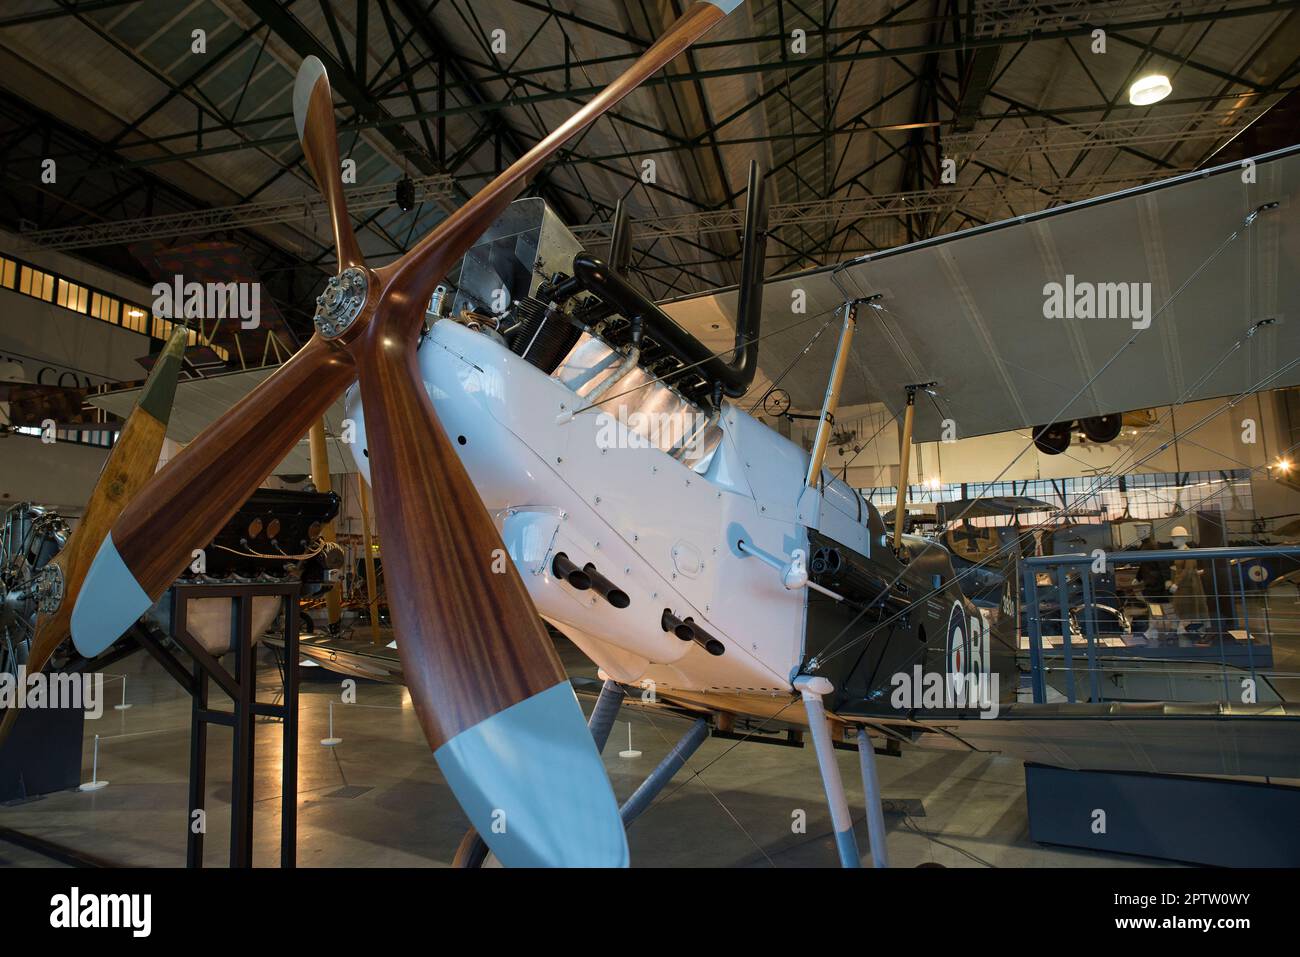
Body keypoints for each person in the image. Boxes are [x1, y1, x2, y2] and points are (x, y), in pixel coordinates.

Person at [1167, 525, 1209, 639]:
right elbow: (1181, 570)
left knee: (1190, 608)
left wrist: (1176, 583)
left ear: (1182, 539)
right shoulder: (1179, 553)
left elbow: (1188, 570)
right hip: (1182, 587)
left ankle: (1194, 629)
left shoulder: (1188, 553)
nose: (1172, 540)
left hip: (1189, 587)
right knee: (1180, 608)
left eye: (1174, 538)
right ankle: (1182, 628)